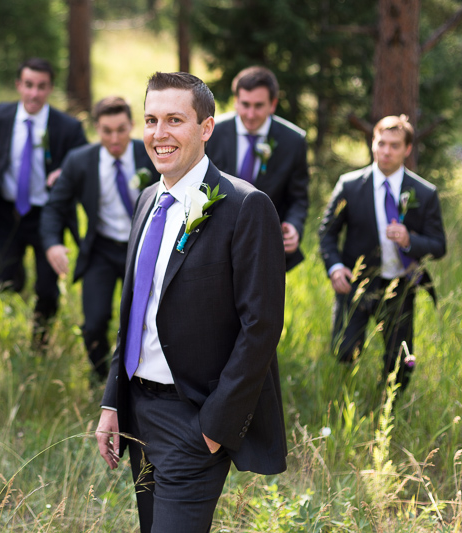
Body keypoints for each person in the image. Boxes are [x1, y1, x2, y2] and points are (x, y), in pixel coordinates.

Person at [94, 72, 286, 533]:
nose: (159, 134)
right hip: (138, 411)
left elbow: (260, 327)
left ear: (206, 127)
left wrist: (214, 427)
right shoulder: (147, 200)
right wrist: (112, 402)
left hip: (194, 418)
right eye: (151, 120)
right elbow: (133, 312)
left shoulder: (245, 207)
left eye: (175, 120)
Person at [318, 115, 446, 390]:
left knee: (398, 362)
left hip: (400, 285)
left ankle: (388, 406)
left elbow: (438, 246)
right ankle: (345, 397)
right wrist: (335, 267)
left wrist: (410, 240)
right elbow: (327, 233)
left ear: (407, 149)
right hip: (357, 282)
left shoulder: (424, 192)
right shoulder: (350, 185)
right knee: (344, 351)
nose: (386, 151)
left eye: (395, 145)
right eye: (381, 143)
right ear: (373, 144)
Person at [0, 58, 87, 343]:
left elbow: (85, 162)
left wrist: (65, 171)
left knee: (46, 289)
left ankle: (40, 341)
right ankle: (16, 274)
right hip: (8, 210)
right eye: (29, 85)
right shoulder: (2, 115)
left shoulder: (67, 127)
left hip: (47, 215)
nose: (34, 93)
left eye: (41, 87)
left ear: (50, 89)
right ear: (19, 85)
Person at [40, 97, 158, 380]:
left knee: (147, 321)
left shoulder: (151, 154)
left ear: (132, 125)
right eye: (107, 131)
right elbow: (55, 206)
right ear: (96, 129)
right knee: (93, 322)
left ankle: (141, 380)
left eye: (121, 129)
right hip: (101, 249)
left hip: (145, 247)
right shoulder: (80, 161)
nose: (115, 138)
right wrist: (53, 244)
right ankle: (103, 380)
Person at [205, 66, 310, 271]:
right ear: (236, 101)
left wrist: (294, 227)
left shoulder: (293, 140)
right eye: (245, 105)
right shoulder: (212, 133)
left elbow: (298, 197)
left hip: (266, 245)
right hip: (216, 243)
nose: (251, 114)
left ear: (273, 104)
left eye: (259, 106)